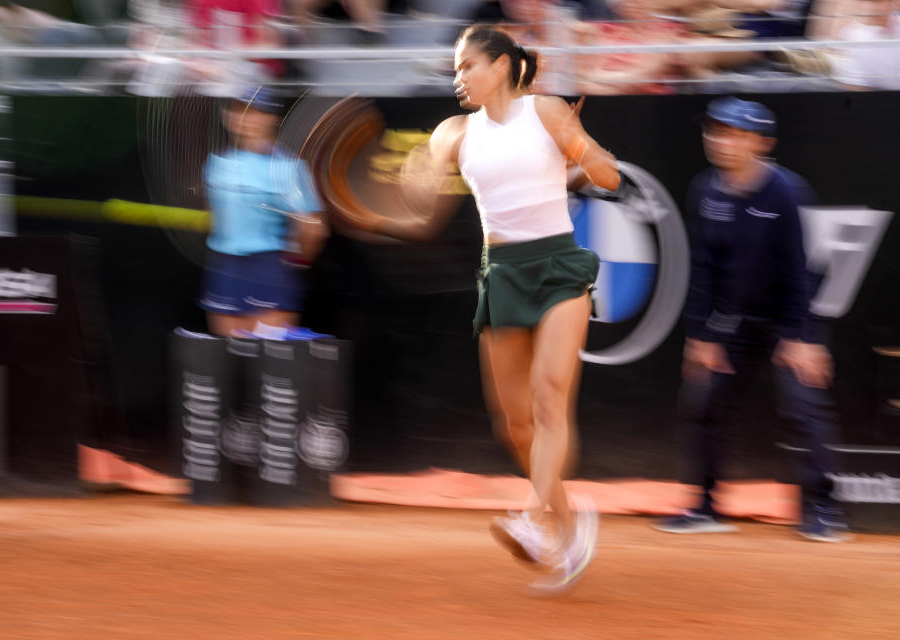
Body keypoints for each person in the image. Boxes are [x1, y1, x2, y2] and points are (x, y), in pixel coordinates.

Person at [352, 25, 621, 594]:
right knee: (515, 426)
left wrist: (584, 149)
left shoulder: (546, 112)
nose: (459, 77)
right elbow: (421, 216)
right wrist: (380, 213)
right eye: (455, 68)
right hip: (500, 275)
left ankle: (532, 518)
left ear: (500, 66)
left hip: (558, 268)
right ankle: (568, 527)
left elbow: (609, 177)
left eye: (467, 65)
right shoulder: (452, 134)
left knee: (550, 397)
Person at [652, 97, 849, 542]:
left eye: (737, 134)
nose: (723, 141)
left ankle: (823, 509)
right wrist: (700, 337)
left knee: (803, 408)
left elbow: (800, 271)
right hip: (734, 319)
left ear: (763, 143)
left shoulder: (788, 191)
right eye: (717, 131)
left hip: (791, 316)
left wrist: (801, 338)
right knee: (701, 402)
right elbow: (701, 267)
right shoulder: (703, 189)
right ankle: (703, 506)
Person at [199, 87, 328, 337]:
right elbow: (214, 217)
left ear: (272, 118)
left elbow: (314, 230)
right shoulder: (216, 163)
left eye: (255, 112)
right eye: (238, 111)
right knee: (227, 354)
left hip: (268, 267)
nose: (245, 119)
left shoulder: (288, 167)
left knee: (270, 359)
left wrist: (291, 265)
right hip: (225, 267)